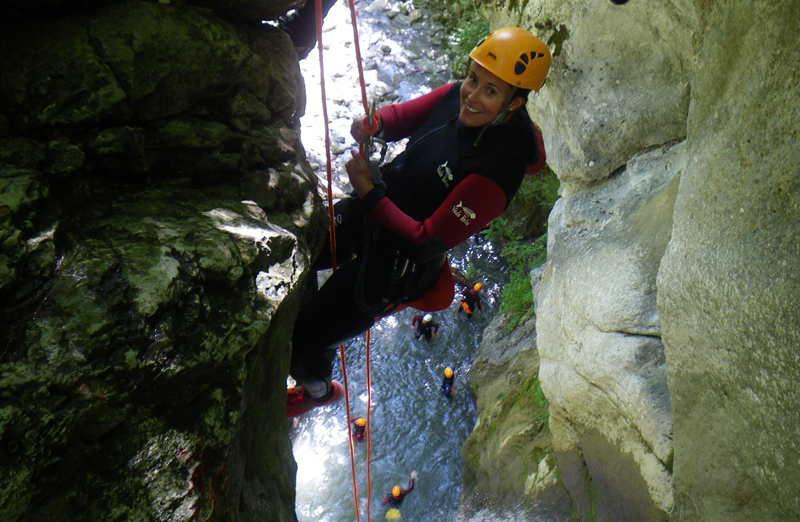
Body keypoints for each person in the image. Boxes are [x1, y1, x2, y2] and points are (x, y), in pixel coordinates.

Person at [287, 26, 551, 417]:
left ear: (514, 104)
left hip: (396, 268)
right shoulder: (454, 96)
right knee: (302, 246)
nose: (472, 95)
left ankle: (319, 389)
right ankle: (317, 342)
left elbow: (424, 238)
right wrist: (375, 123)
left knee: (299, 339)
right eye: (473, 78)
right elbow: (404, 117)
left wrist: (368, 192)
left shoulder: (498, 174)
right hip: (374, 209)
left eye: (490, 91)